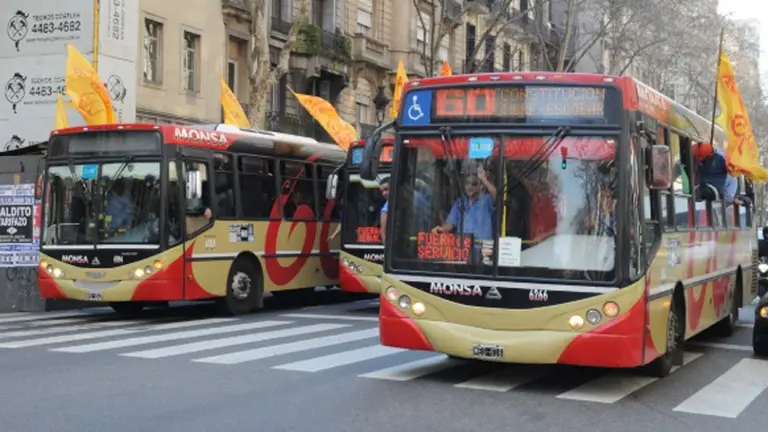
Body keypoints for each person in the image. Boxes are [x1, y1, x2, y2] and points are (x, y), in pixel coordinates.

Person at [432, 164, 497, 250]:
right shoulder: (459, 202)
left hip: (483, 251)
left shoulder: (486, 200)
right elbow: (450, 223)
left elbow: (496, 195)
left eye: (474, 184)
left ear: (481, 186)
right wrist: (441, 229)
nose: (469, 186)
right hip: (462, 249)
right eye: (467, 183)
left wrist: (483, 179)